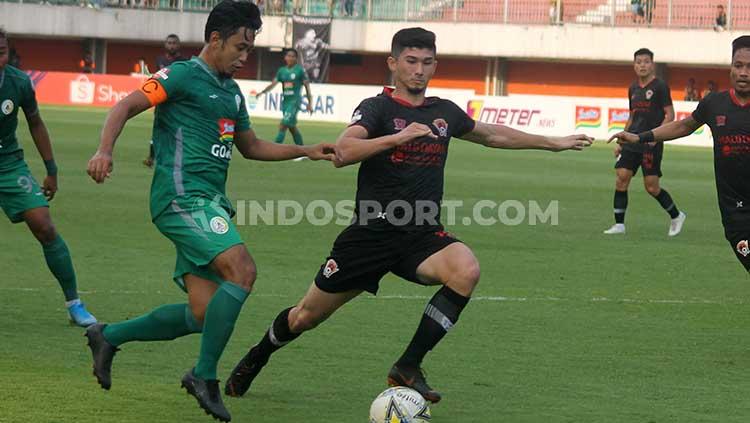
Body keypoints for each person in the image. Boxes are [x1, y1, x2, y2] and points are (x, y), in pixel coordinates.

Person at [224, 27, 592, 404]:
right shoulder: (377, 108)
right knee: (305, 316)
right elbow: (344, 152)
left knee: (466, 269)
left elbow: (492, 135)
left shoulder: (444, 112)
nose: (419, 70)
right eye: (411, 61)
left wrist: (553, 143)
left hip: (421, 236)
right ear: (393, 63)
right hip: (370, 236)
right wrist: (396, 138)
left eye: (427, 62)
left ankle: (408, 366)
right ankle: (259, 354)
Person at [83, 3, 335, 422]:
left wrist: (306, 150)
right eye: (239, 46)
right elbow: (124, 107)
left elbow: (251, 147)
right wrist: (104, 149)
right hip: (180, 199)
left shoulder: (232, 93)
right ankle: (204, 376)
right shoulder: (180, 75)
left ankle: (107, 336)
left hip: (208, 204)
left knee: (202, 314)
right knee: (243, 271)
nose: (243, 57)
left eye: (249, 49)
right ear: (214, 39)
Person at [610, 36, 750, 273]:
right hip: (735, 212)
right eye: (738, 66)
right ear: (730, 67)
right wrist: (639, 136)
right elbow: (683, 126)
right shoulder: (714, 103)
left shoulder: (659, 87)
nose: (744, 72)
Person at [0, 28, 97, 327]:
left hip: (8, 164)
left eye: (1, 50)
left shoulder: (18, 82)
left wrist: (51, 170)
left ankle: (75, 304)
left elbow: (36, 124)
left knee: (43, 224)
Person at [604, 48, 686, 236]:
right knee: (621, 178)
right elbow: (632, 116)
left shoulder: (660, 87)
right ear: (634, 65)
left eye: (646, 62)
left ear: (652, 64)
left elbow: (670, 114)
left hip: (651, 142)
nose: (642, 65)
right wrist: (622, 141)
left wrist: (657, 136)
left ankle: (676, 215)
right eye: (638, 62)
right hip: (632, 140)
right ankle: (619, 225)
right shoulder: (633, 88)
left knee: (651, 187)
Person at [256, 49, 312, 150]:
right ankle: (303, 152)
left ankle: (273, 150)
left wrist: (309, 103)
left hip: (294, 102)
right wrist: (262, 92)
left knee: (283, 125)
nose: (290, 58)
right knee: (292, 128)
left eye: (292, 56)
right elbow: (273, 84)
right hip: (285, 103)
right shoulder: (282, 71)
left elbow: (307, 86)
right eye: (288, 56)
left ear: (296, 58)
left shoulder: (299, 70)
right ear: (285, 58)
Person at [145, 34, 187, 168]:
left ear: (179, 45)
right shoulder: (160, 60)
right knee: (158, 129)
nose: (171, 45)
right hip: (162, 101)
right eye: (169, 43)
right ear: (165, 45)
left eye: (174, 43)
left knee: (178, 130)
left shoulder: (184, 61)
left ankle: (179, 158)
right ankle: (152, 157)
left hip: (178, 103)